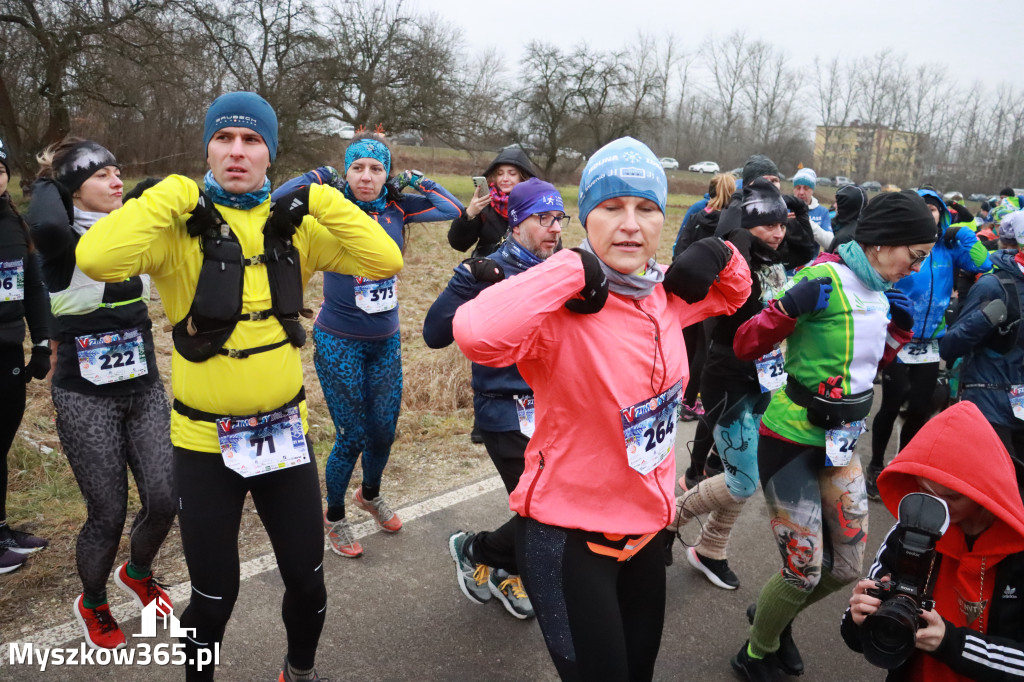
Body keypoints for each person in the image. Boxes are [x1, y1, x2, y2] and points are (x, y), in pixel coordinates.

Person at [75, 92, 403, 681]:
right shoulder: (179, 227)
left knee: (307, 581)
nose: (236, 151)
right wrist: (176, 193)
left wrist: (324, 196)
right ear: (208, 147)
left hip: (284, 438)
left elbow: (385, 260)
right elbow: (96, 257)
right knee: (214, 595)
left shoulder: (293, 228)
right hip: (204, 446)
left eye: (252, 141)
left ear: (270, 155)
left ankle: (298, 672)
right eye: (224, 139)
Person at [453, 136, 752, 680]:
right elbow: (474, 334)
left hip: (646, 533)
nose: (630, 225)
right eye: (611, 208)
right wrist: (569, 269)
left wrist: (720, 252)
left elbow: (736, 294)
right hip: (566, 539)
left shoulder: (664, 297)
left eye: (646, 209)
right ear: (586, 218)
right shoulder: (561, 307)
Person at [729, 190, 936, 681]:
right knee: (802, 569)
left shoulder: (882, 290)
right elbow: (745, 343)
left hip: (840, 441)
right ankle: (754, 654)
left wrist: (896, 336)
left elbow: (867, 368)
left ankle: (774, 616)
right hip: (790, 439)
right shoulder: (820, 278)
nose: (917, 268)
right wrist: (784, 310)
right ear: (885, 242)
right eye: (916, 256)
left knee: (844, 567)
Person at [276, 135, 462, 559]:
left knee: (384, 430)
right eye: (357, 167)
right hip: (339, 339)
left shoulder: (397, 208)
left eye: (376, 169)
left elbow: (453, 209)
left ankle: (370, 494)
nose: (366, 176)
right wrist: (318, 177)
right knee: (352, 435)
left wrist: (417, 179)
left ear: (385, 175)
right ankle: (335, 514)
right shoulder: (332, 206)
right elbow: (280, 198)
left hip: (385, 339)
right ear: (346, 171)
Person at [28, 138, 175, 650]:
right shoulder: (59, 241)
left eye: (119, 171)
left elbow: (161, 196)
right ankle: (92, 601)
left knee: (164, 500)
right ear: (71, 189)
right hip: (85, 397)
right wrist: (51, 178)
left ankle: (137, 573)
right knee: (108, 513)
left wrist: (143, 194)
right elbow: (45, 220)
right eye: (101, 175)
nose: (117, 180)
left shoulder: (131, 234)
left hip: (145, 389)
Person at [425, 178, 567, 620]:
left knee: (549, 510)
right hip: (504, 410)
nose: (554, 229)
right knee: (542, 514)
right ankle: (474, 550)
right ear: (517, 222)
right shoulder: (489, 267)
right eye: (543, 219)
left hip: (552, 411)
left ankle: (505, 564)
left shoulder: (562, 267)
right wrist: (468, 281)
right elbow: (432, 333)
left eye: (559, 219)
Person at [669, 179, 804, 590]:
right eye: (768, 225)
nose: (779, 233)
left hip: (764, 381)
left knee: (742, 475)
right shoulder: (735, 259)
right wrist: (737, 237)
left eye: (783, 224)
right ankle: (665, 522)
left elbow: (809, 251)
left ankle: (711, 548)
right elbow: (725, 289)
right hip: (727, 380)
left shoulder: (776, 261)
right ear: (746, 227)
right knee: (743, 480)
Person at [843, 401, 1024, 682]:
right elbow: (860, 634)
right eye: (925, 491)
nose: (938, 507)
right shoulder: (911, 532)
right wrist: (859, 619)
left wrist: (950, 642)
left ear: (985, 492)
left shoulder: (1017, 553)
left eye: (952, 497)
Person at [865, 189, 991, 499]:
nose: (930, 212)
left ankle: (904, 464)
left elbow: (983, 265)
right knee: (890, 405)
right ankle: (876, 465)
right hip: (899, 338)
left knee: (920, 410)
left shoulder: (949, 248)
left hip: (931, 344)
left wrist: (966, 236)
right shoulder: (901, 246)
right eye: (925, 208)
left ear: (942, 215)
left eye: (934, 208)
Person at [940, 210, 1024, 486]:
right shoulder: (994, 284)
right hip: (988, 402)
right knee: (989, 492)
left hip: (1019, 402)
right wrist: (983, 319)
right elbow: (949, 346)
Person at [0, 136, 50, 574]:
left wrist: (42, 342)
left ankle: (0, 528)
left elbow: (33, 288)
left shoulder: (15, 223)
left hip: (9, 351)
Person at [673, 173, 737, 431]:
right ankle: (690, 403)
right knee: (703, 349)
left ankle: (679, 399)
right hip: (713, 292)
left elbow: (680, 248)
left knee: (687, 347)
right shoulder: (730, 222)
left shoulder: (698, 215)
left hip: (687, 287)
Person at [447, 146, 535, 257]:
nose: (505, 179)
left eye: (512, 174)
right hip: (488, 269)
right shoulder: (484, 203)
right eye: (500, 173)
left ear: (523, 177)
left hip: (525, 271)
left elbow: (552, 249)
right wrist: (469, 215)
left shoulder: (537, 205)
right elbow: (459, 244)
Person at [792, 168, 832, 252]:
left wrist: (806, 220)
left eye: (806, 188)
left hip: (811, 262)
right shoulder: (785, 208)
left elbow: (829, 243)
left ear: (812, 190)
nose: (801, 192)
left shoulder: (822, 212)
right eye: (798, 188)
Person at [827, 184, 868, 253]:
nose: (834, 205)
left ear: (846, 207)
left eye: (838, 202)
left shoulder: (845, 238)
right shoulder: (864, 228)